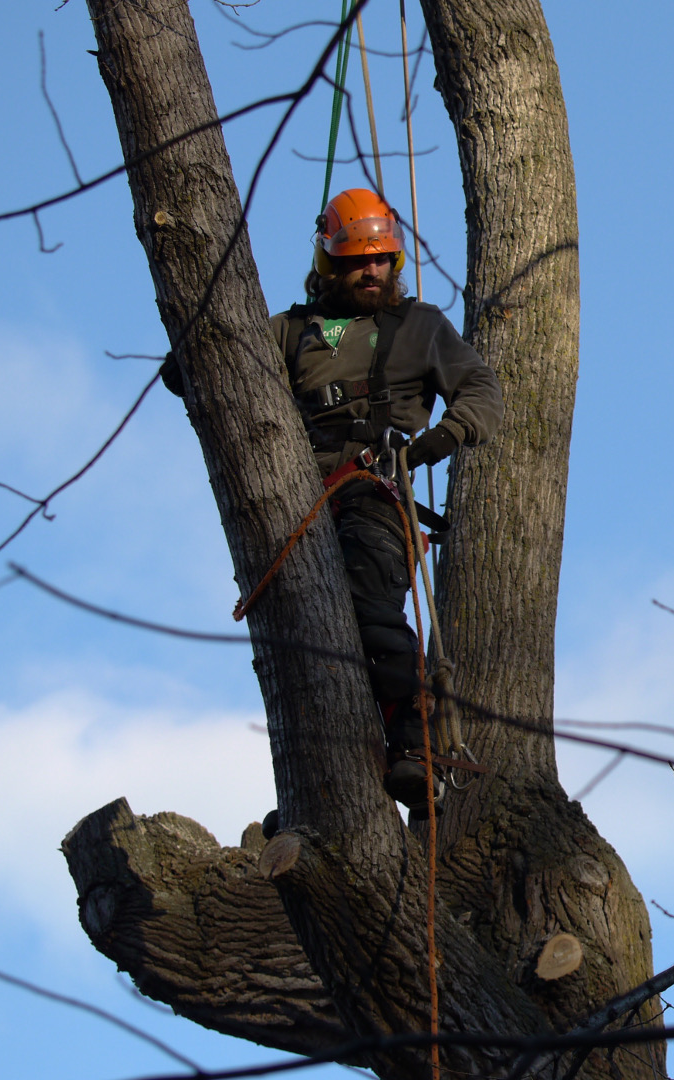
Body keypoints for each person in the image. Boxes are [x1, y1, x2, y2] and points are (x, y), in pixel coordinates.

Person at [168, 188, 502, 814]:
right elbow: (201, 367)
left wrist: (437, 441)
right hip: (293, 494)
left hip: (372, 485)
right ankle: (318, 794)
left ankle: (410, 743)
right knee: (294, 640)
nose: (370, 272)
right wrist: (191, 349)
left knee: (367, 600)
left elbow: (481, 390)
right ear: (330, 265)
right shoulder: (291, 330)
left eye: (380, 260)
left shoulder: (419, 327)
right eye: (355, 262)